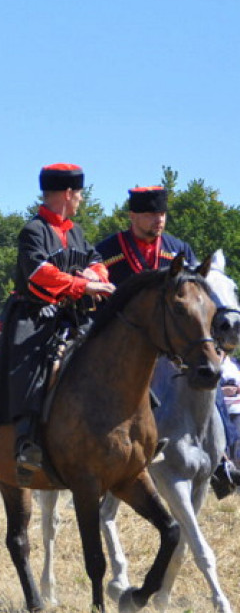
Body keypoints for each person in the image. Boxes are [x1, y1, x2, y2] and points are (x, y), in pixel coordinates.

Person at [0, 164, 115, 485]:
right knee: (32, 366)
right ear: (67, 193)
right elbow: (39, 274)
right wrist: (83, 285)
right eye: (78, 194)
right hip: (34, 315)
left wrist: (95, 275)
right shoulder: (33, 231)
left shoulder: (75, 231)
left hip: (72, 314)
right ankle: (26, 442)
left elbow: (96, 261)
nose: (80, 199)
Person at [96, 185, 240, 495]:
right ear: (133, 216)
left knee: (210, 374)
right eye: (151, 214)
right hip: (125, 345)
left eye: (161, 214)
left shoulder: (178, 249)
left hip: (174, 343)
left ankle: (221, 460)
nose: (158, 220)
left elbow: (197, 295)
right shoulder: (108, 251)